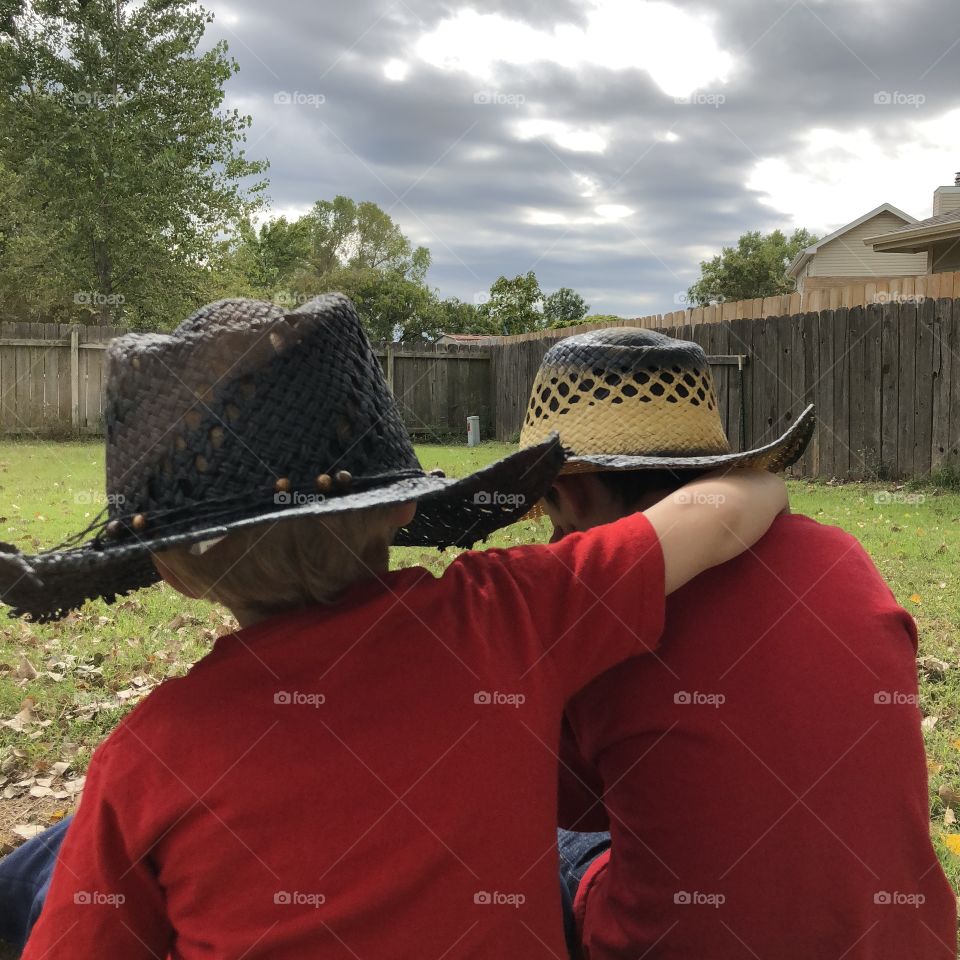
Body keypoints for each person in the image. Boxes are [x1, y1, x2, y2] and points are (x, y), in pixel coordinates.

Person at [0, 296, 787, 959]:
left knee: (48, 866)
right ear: (407, 502)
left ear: (168, 569)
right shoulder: (505, 615)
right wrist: (762, 475)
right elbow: (722, 515)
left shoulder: (143, 757)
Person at [518, 327, 957, 959]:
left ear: (568, 491)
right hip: (907, 942)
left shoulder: (593, 614)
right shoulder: (843, 557)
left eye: (551, 515)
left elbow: (572, 806)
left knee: (555, 840)